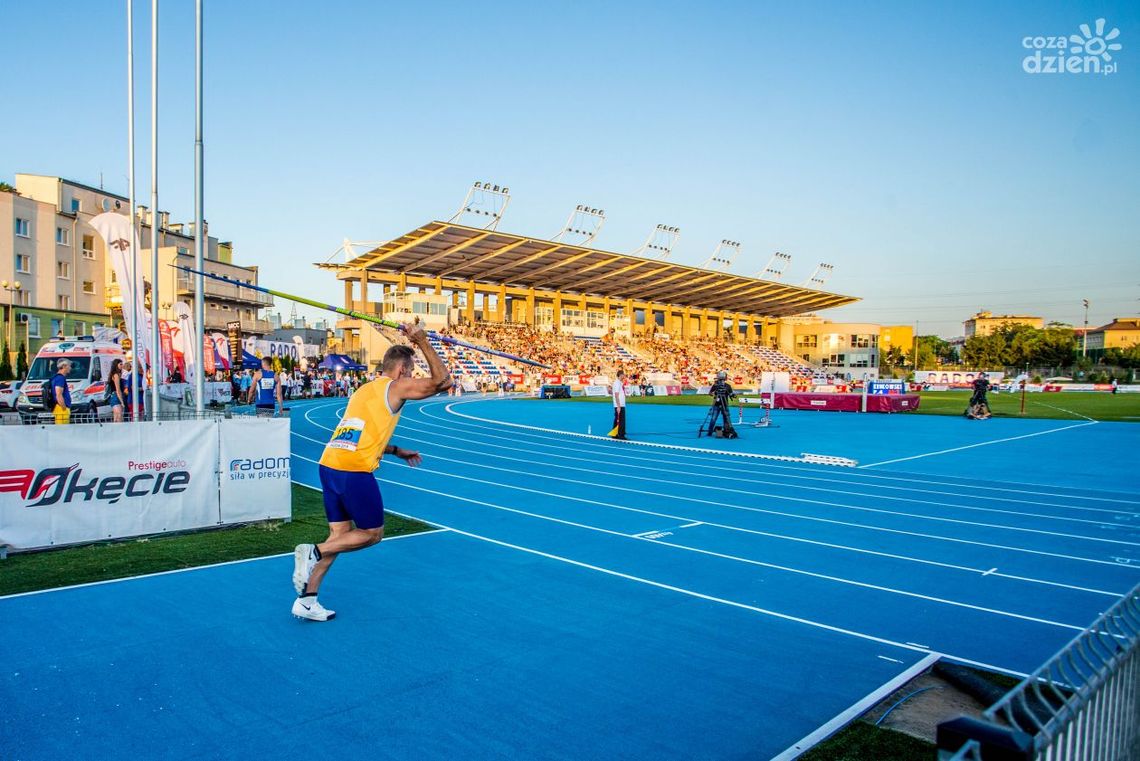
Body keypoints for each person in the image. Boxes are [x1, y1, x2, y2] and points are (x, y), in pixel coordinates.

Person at [291, 323, 452, 622]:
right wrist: (422, 342)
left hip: (329, 465)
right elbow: (443, 382)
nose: (413, 376)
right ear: (402, 369)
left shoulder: (365, 390)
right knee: (372, 534)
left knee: (340, 536)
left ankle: (308, 600)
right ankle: (312, 551)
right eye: (413, 369)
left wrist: (395, 450)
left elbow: (362, 432)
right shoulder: (397, 386)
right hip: (353, 471)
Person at [49, 359, 72, 425]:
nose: (70, 368)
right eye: (69, 366)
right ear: (64, 366)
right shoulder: (60, 378)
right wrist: (64, 408)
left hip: (59, 408)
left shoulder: (56, 377)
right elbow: (58, 394)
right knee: (62, 432)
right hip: (61, 409)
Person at [106, 358, 126, 423]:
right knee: (119, 416)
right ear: (116, 365)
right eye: (120, 364)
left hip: (114, 396)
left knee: (116, 416)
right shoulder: (116, 375)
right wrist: (122, 401)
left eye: (122, 364)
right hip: (116, 396)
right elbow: (118, 389)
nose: (122, 366)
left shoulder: (115, 374)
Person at [609, 370, 627, 439]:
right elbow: (616, 395)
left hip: (621, 404)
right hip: (619, 405)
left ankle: (615, 434)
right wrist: (618, 406)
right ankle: (621, 434)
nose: (624, 376)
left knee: (617, 419)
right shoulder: (617, 383)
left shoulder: (619, 383)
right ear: (621, 375)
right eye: (623, 374)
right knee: (621, 420)